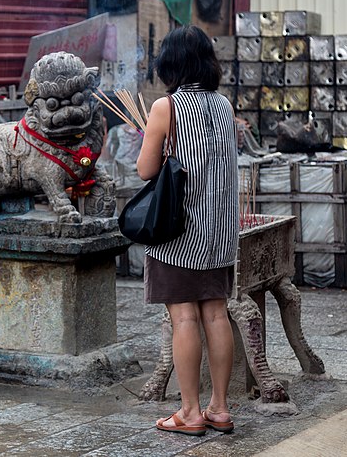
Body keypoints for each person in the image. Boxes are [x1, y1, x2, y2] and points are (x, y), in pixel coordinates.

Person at [136, 25, 239, 437]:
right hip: (218, 232)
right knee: (216, 313)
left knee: (183, 317)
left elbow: (146, 169)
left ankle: (190, 411)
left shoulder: (166, 107)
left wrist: (150, 138)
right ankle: (220, 408)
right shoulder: (224, 106)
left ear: (169, 64)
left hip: (181, 233)